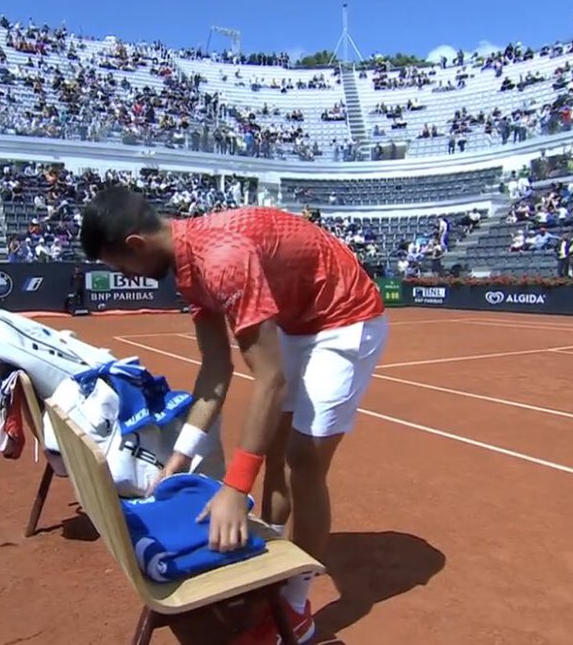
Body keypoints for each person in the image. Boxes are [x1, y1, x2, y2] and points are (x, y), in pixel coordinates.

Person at [80, 188, 387, 644]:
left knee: (302, 461)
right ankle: (273, 578)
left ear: (136, 244)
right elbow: (215, 370)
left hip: (344, 316)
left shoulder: (220, 258)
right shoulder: (190, 269)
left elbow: (269, 379)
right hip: (296, 320)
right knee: (278, 454)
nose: (127, 275)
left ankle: (295, 608)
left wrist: (233, 488)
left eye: (121, 266)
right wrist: (177, 461)